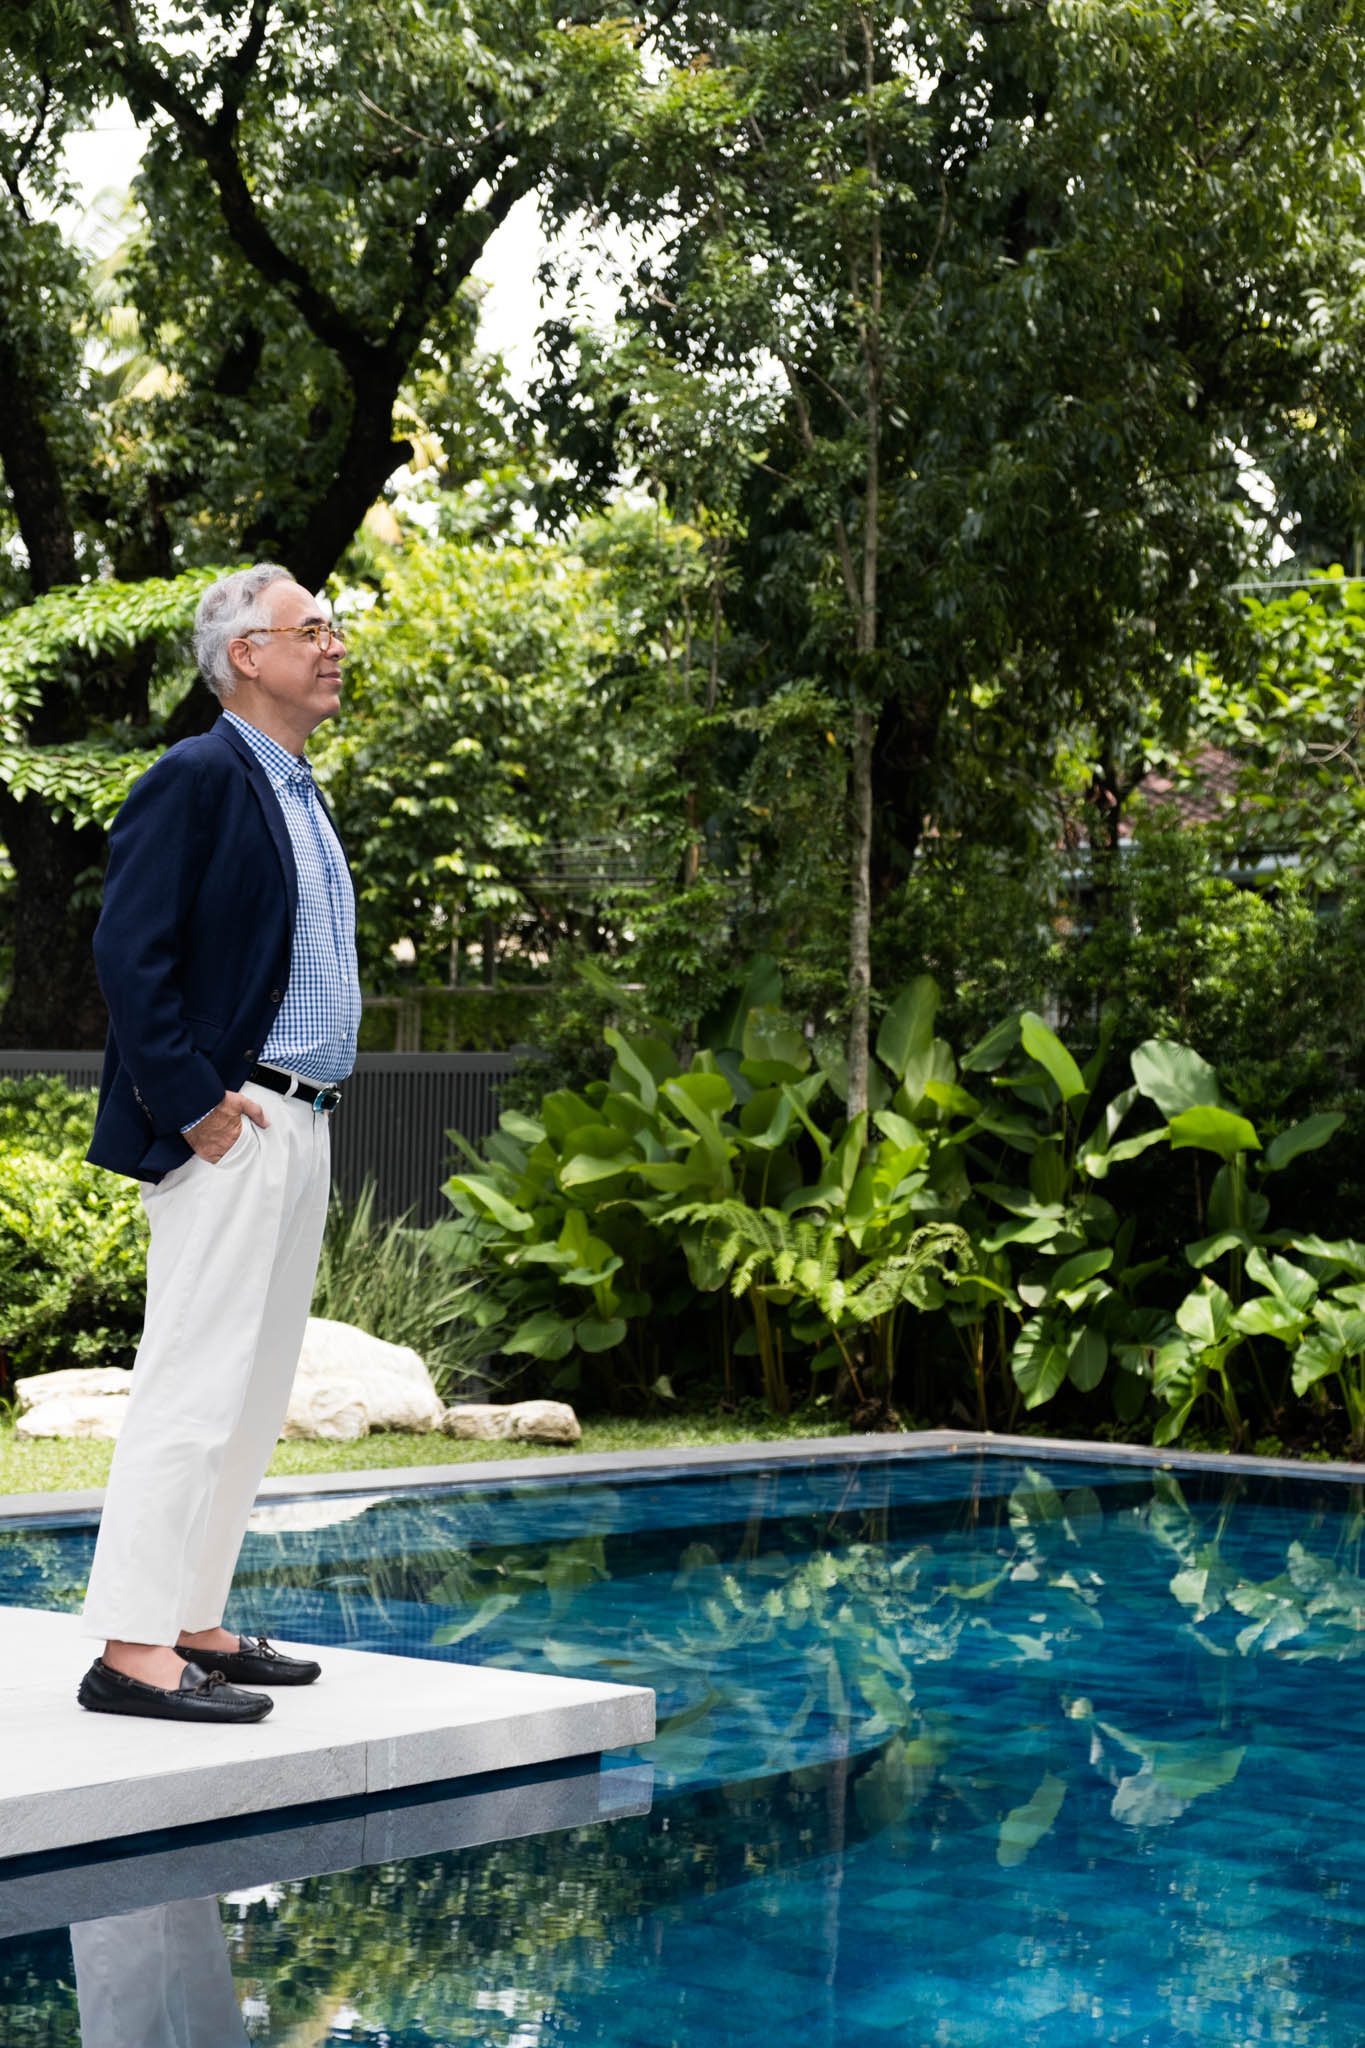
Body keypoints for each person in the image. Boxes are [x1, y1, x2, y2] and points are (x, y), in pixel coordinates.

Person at [75, 563, 362, 1724]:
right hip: (232, 1122)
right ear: (249, 655)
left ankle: (194, 1619)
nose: (336, 645)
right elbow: (126, 953)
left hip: (302, 1118)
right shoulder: (197, 775)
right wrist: (197, 1105)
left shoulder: (297, 787)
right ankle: (130, 1649)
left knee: (248, 1394)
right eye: (315, 628)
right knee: (191, 1385)